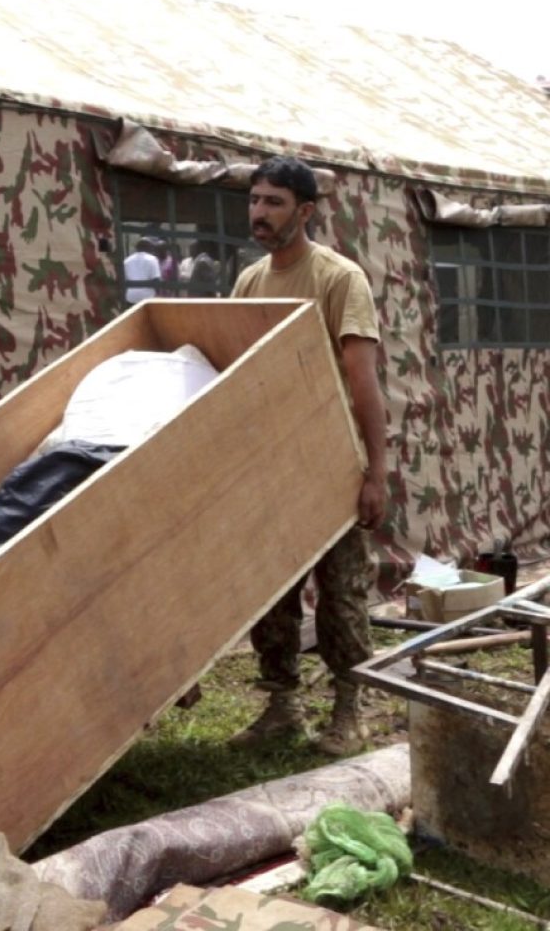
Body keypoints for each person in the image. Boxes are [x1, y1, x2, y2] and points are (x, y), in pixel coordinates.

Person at [230, 156, 387, 757]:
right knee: (273, 590)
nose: (259, 214)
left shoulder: (338, 279)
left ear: (306, 211)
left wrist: (376, 472)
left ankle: (351, 708)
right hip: (271, 462)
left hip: (332, 461)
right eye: (254, 201)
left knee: (342, 590)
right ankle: (281, 705)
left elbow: (364, 383)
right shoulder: (249, 282)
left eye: (273, 202)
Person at [122, 236, 162, 304]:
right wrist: (159, 295)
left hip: (131, 297)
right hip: (147, 297)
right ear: (148, 247)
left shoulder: (127, 260)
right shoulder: (152, 259)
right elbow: (156, 280)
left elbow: (124, 279)